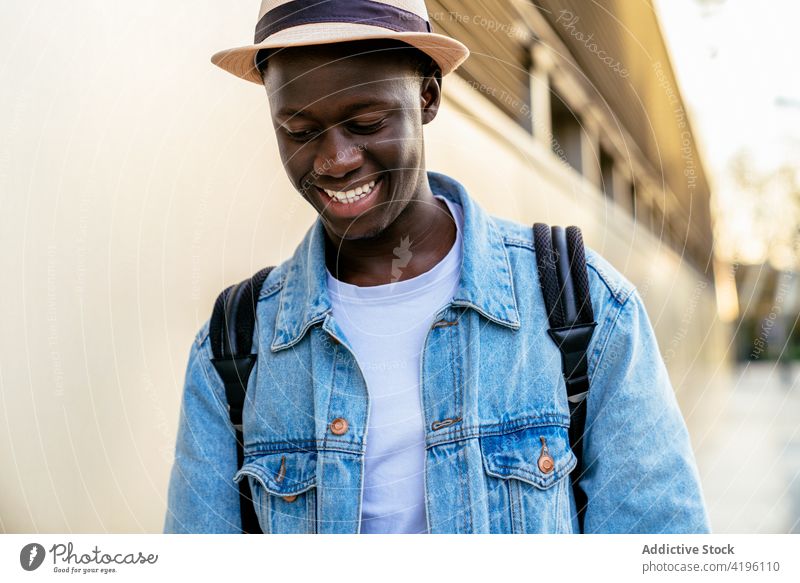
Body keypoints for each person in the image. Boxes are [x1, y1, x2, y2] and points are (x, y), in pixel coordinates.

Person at [164, 0, 710, 534]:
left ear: (428, 94)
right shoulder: (231, 347)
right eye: (299, 131)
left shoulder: (583, 306)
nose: (335, 159)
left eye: (366, 121)